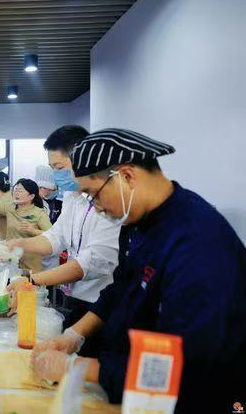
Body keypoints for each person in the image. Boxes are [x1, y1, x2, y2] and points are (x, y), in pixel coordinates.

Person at [30, 128, 246, 412]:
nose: (96, 208)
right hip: (133, 381)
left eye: (93, 195)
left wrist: (78, 367)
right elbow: (120, 288)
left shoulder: (197, 242)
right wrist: (73, 336)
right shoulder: (136, 223)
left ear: (127, 176)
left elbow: (186, 365)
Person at [6, 125, 120, 357]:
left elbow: (89, 264)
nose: (57, 175)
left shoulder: (111, 200)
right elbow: (56, 238)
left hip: (102, 306)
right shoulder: (72, 196)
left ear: (83, 159)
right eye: (52, 169)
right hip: (76, 299)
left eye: (59, 167)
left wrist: (32, 280)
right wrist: (18, 245)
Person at [4, 179, 52, 272]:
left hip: (30, 264)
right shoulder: (10, 208)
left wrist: (34, 231)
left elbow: (51, 236)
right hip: (11, 261)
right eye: (15, 189)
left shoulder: (39, 213)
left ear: (31, 196)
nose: (16, 193)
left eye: (20, 191)